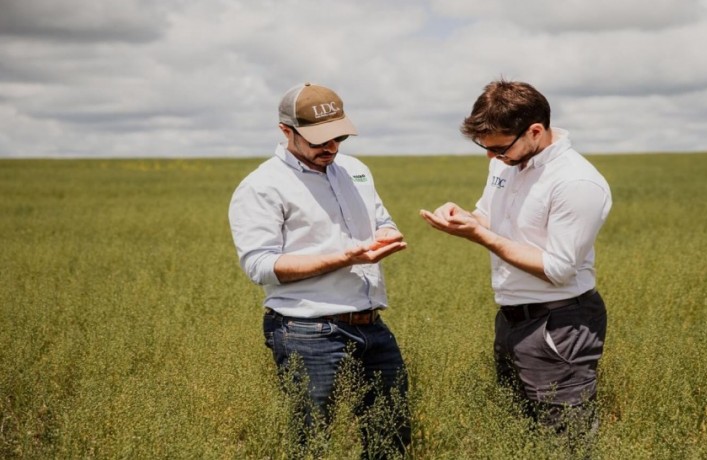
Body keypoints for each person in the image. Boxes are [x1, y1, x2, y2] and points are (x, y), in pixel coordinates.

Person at [420, 79, 612, 443]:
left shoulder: (576, 182)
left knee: (565, 439)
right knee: (518, 431)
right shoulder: (505, 164)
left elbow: (558, 268)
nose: (492, 158)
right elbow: (489, 219)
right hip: (511, 318)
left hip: (560, 323)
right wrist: (464, 219)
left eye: (500, 148)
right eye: (485, 148)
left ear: (535, 131)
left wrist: (480, 236)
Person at [228, 82, 411, 454]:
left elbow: (382, 220)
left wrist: (386, 234)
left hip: (372, 326)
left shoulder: (356, 170)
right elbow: (260, 265)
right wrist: (345, 257)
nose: (331, 147)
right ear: (286, 131)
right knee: (311, 444)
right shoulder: (262, 186)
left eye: (338, 137)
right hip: (306, 332)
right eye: (318, 140)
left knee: (390, 437)